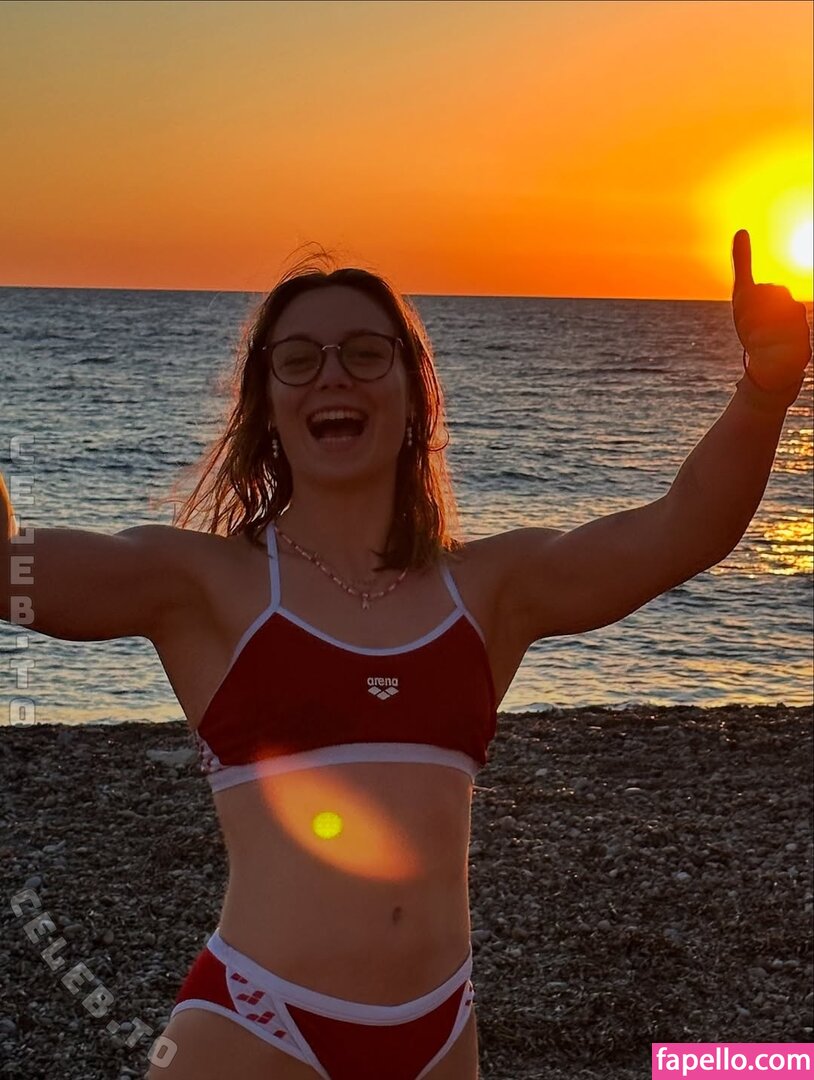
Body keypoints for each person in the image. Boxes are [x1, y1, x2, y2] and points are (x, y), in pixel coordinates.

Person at [1, 232, 809, 1080]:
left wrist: (763, 394)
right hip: (255, 1024)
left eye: (364, 353)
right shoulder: (201, 583)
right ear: (266, 404)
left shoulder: (492, 590)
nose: (333, 376)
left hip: (440, 1033)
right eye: (298, 360)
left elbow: (683, 530)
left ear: (412, 392)